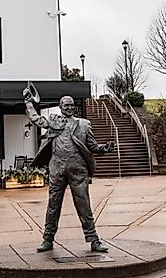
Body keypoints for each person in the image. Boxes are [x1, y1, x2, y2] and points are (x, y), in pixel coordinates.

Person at [24, 89, 115, 253]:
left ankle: (94, 239)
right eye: (66, 105)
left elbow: (92, 146)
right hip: (57, 168)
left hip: (78, 169)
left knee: (84, 205)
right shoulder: (54, 122)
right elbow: (36, 119)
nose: (69, 107)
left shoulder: (83, 124)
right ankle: (47, 239)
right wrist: (29, 103)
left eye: (72, 105)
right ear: (60, 107)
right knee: (53, 205)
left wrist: (104, 148)